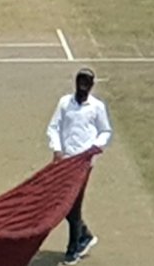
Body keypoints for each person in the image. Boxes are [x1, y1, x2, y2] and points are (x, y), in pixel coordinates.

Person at [46, 68, 113, 265]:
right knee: (63, 202)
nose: (82, 87)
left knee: (73, 205)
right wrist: (57, 149)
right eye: (80, 82)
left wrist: (94, 148)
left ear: (91, 86)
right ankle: (84, 236)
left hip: (83, 164)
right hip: (65, 161)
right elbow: (53, 127)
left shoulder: (97, 107)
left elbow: (105, 131)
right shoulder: (65, 103)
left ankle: (73, 248)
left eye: (86, 83)